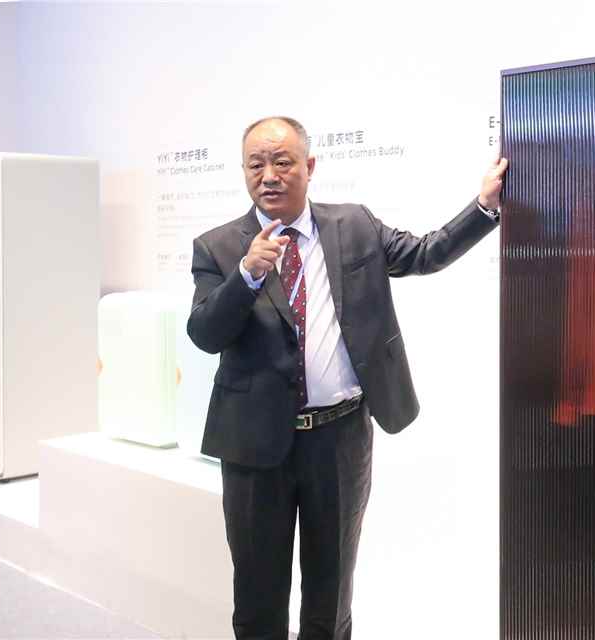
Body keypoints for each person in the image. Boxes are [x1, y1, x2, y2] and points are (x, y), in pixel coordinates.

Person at [187, 115, 508, 640]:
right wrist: (247, 276)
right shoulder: (218, 247)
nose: (269, 175)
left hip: (339, 440)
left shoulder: (353, 225)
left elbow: (424, 253)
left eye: (282, 161)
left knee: (331, 593)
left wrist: (484, 207)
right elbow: (204, 333)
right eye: (256, 164)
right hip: (253, 445)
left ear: (309, 166)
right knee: (258, 596)